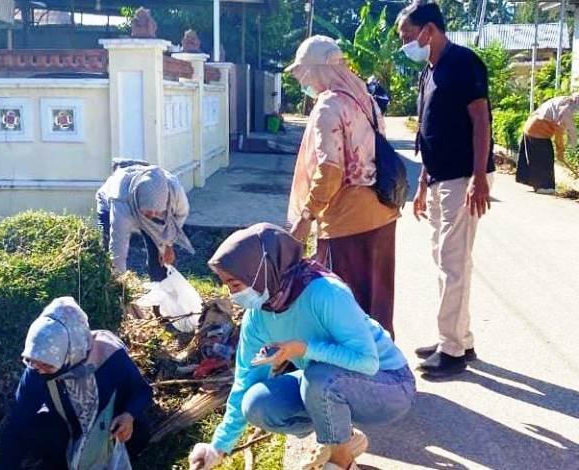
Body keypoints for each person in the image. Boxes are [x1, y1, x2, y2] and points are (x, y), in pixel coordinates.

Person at [188, 224, 415, 470]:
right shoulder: (259, 315)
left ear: (260, 270)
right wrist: (217, 447)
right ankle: (344, 438)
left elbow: (367, 361)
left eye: (234, 284)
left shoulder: (325, 292)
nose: (231, 295)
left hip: (390, 384)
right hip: (329, 382)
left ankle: (342, 462)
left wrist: (306, 349)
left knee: (318, 377)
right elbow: (245, 380)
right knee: (257, 403)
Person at [397, 2, 495, 377]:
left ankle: (451, 350)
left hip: (462, 179)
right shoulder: (430, 70)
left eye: (409, 36)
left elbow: (481, 121)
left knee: (452, 263)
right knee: (448, 261)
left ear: (429, 30)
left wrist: (479, 177)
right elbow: (429, 131)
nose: (407, 43)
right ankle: (459, 339)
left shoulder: (463, 63)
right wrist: (422, 181)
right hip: (439, 178)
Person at [286, 35, 400, 337]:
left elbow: (330, 169)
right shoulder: (366, 100)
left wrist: (307, 215)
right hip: (383, 212)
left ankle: (353, 377)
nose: (303, 80)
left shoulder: (329, 106)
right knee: (378, 301)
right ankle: (386, 372)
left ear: (318, 69)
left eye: (303, 72)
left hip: (347, 222)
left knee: (345, 308)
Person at [0, 297, 153, 469]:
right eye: (32, 361)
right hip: (68, 426)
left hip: (110, 426)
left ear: (70, 353)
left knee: (140, 431)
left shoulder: (109, 355)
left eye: (47, 365)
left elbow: (142, 392)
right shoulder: (36, 368)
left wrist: (129, 415)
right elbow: (19, 417)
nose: (39, 369)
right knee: (37, 432)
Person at [96, 163, 193, 281]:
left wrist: (167, 244)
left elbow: (180, 216)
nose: (152, 217)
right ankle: (106, 284)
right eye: (148, 213)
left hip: (143, 205)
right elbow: (118, 245)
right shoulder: (121, 201)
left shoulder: (174, 190)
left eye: (157, 212)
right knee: (107, 251)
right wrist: (119, 281)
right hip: (110, 204)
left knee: (160, 255)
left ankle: (162, 285)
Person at [517, 94, 579, 194]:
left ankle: (541, 185)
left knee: (542, 156)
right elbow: (559, 134)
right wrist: (560, 151)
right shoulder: (566, 109)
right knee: (543, 158)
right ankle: (543, 187)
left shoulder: (567, 101)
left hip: (535, 128)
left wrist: (563, 149)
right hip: (537, 130)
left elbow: (570, 130)